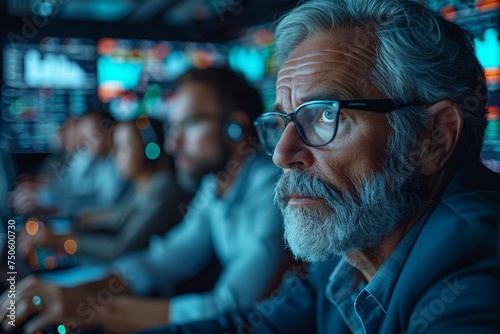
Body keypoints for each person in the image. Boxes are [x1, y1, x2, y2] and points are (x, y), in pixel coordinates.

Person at [139, 0, 500, 333]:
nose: (281, 154)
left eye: (326, 116)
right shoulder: (350, 239)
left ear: (432, 138)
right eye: (282, 121)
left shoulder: (476, 267)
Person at [0, 68, 290, 333]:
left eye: (187, 125)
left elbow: (229, 307)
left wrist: (97, 309)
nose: (172, 143)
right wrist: (81, 292)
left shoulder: (273, 192)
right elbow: (164, 259)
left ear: (235, 127)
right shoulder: (213, 186)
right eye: (173, 129)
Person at [17, 117, 190, 261]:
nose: (115, 155)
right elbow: (119, 217)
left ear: (150, 152)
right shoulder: (143, 183)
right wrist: (73, 223)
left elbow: (119, 248)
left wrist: (61, 239)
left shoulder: (163, 188)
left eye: (122, 148)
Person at [10, 110, 129, 216]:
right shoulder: (94, 157)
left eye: (91, 136)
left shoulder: (119, 169)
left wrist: (44, 197)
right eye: (83, 138)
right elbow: (70, 184)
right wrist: (41, 186)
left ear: (108, 130)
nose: (85, 144)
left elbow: (87, 202)